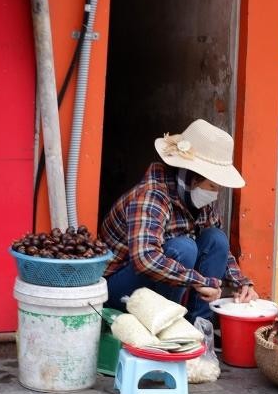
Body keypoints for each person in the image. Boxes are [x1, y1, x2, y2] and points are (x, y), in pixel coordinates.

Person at [100, 118, 259, 322]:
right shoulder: (153, 195)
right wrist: (198, 281)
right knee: (184, 248)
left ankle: (199, 327)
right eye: (212, 186)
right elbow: (145, 259)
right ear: (192, 178)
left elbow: (220, 251)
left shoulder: (201, 199)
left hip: (159, 282)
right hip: (116, 287)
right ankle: (163, 326)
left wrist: (242, 283)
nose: (215, 194)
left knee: (216, 238)